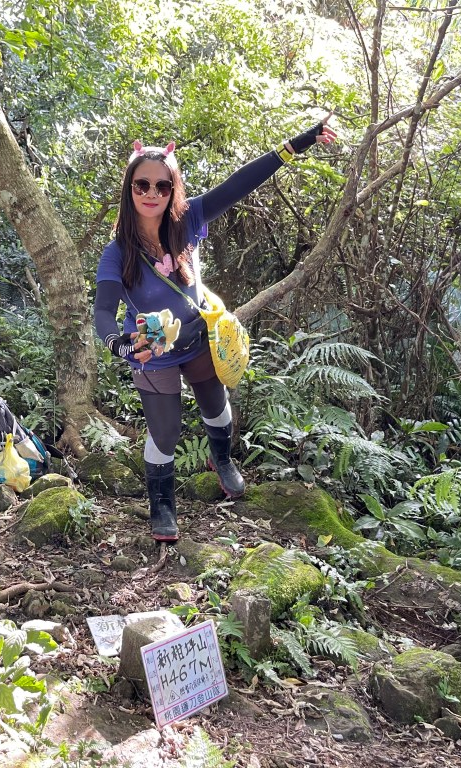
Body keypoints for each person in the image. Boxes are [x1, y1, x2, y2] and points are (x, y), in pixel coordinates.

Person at [94, 117, 337, 542]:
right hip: (153, 353)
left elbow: (240, 183)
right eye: (142, 185)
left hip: (199, 338)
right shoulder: (117, 252)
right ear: (129, 189)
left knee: (216, 406)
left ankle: (221, 460)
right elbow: (103, 311)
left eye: (162, 186)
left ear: (173, 189)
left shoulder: (188, 220)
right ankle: (162, 504)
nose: (152, 194)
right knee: (165, 433)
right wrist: (121, 345)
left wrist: (298, 143)